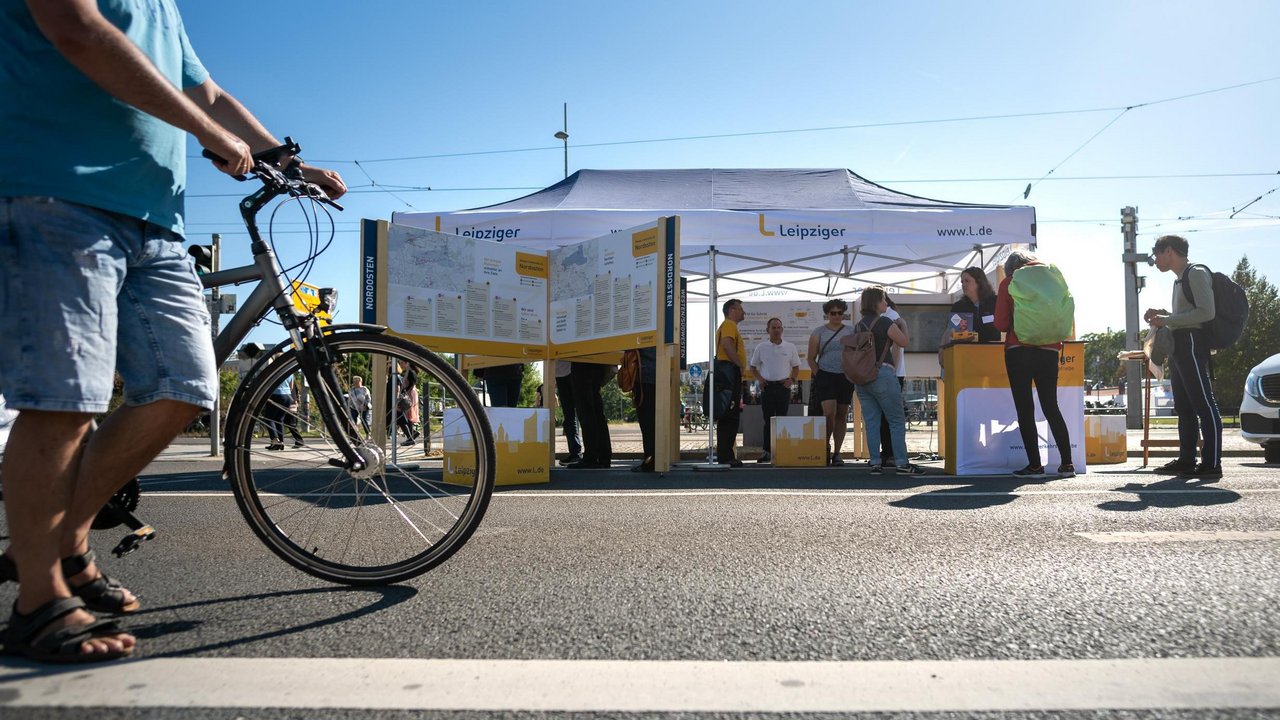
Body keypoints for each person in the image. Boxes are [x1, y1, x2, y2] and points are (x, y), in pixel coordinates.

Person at [0, 0, 346, 663]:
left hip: (155, 217)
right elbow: (74, 28)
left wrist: (282, 159)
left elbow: (206, 91)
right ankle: (39, 603)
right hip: (54, 192)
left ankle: (61, 542)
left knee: (185, 385)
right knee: (66, 399)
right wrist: (207, 134)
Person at [1144, 234, 1222, 479]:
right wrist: (1164, 314)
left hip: (1190, 343)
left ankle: (1211, 462)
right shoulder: (1180, 279)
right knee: (1184, 406)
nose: (1155, 260)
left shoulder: (1195, 273)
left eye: (1157, 254)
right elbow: (1188, 313)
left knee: (1203, 403)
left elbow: (1206, 312)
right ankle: (1187, 459)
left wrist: (1168, 319)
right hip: (1181, 343)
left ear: (1169, 251)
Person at [994, 251, 1075, 478]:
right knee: (1051, 406)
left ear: (1011, 269)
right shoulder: (1053, 279)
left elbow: (1001, 323)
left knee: (1025, 408)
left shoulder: (1009, 282)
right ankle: (1067, 464)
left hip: (1019, 350)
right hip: (1050, 350)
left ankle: (1035, 466)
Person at [853, 287, 925, 475]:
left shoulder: (859, 325)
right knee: (896, 420)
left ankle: (875, 462)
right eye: (884, 300)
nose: (886, 303)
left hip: (862, 378)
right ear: (876, 303)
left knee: (872, 421)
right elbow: (903, 342)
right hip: (883, 374)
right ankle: (902, 463)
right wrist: (903, 324)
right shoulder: (886, 322)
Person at [808, 299, 854, 465]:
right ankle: (824, 447)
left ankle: (837, 453)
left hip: (846, 376)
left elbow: (858, 352)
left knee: (842, 414)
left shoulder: (851, 330)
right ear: (827, 314)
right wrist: (818, 374)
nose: (836, 316)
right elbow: (811, 358)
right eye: (833, 313)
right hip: (826, 374)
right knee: (829, 414)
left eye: (840, 313)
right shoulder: (818, 331)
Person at [748, 317, 800, 464]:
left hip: (783, 387)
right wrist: (760, 379)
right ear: (768, 330)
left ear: (782, 330)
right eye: (773, 328)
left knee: (782, 419)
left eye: (779, 328)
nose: (776, 331)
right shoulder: (761, 347)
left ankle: (782, 450)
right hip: (767, 387)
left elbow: (796, 367)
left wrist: (792, 380)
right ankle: (767, 451)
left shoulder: (790, 347)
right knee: (768, 420)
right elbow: (752, 367)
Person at [939, 266, 1000, 372]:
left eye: (967, 281)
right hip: (966, 360)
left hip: (992, 358)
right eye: (962, 282)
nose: (963, 284)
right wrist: (941, 351)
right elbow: (950, 331)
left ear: (979, 282)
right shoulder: (958, 307)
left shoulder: (995, 302)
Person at [714, 298, 747, 467]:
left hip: (728, 372)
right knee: (730, 414)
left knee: (729, 414)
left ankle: (725, 454)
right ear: (732, 310)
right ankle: (726, 456)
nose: (743, 312)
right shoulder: (729, 325)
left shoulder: (729, 326)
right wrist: (739, 364)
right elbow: (727, 345)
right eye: (740, 309)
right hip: (729, 372)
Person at [878, 298, 909, 466]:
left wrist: (893, 370)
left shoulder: (890, 316)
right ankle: (890, 453)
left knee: (889, 416)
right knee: (886, 415)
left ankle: (891, 454)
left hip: (891, 372)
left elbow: (898, 345)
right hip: (891, 371)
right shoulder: (890, 316)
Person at [566, 361, 611, 468]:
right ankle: (604, 456)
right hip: (598, 361)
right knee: (597, 411)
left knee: (586, 410)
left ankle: (591, 457)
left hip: (581, 360)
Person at [633, 347, 658, 472]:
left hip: (644, 376)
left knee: (647, 423)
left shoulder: (643, 328)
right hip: (660, 375)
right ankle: (656, 459)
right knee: (655, 422)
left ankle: (650, 461)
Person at [263, 376, 305, 450]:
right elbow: (291, 387)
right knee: (279, 419)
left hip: (275, 395)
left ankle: (275, 439)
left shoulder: (274, 369)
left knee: (268, 419)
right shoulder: (291, 374)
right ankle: (281, 443)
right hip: (287, 396)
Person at [553, 360, 582, 465]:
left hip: (567, 372)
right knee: (572, 416)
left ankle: (576, 453)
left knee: (571, 416)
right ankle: (576, 452)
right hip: (563, 373)